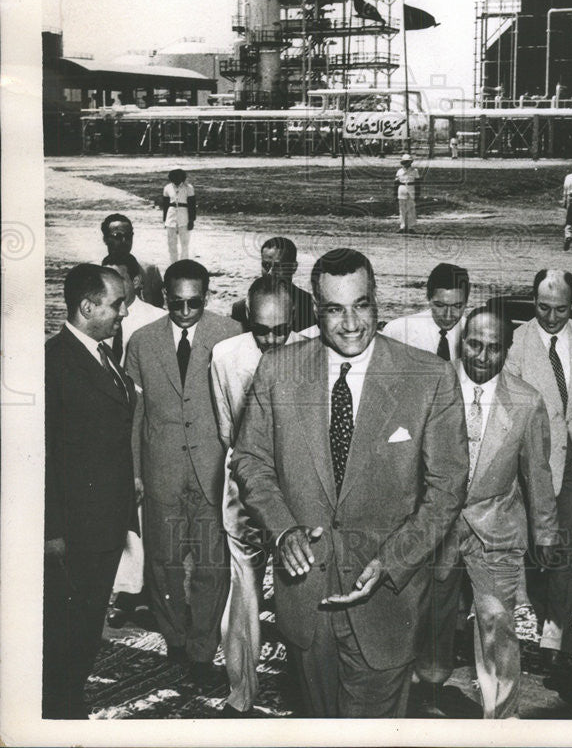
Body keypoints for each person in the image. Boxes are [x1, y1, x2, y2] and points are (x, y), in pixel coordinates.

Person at [230, 248, 469, 718]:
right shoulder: (278, 370)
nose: (351, 323)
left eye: (361, 304)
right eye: (334, 309)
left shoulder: (429, 378)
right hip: (306, 600)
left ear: (377, 301)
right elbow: (249, 459)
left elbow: (447, 489)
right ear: (315, 309)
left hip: (385, 598)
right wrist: (283, 529)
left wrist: (393, 561)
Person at [415, 306, 559, 718]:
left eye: (493, 349)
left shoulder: (527, 402)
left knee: (497, 621)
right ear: (462, 342)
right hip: (435, 526)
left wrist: (546, 532)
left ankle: (502, 716)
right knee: (430, 614)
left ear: (507, 351)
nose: (481, 356)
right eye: (474, 345)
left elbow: (538, 474)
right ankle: (428, 688)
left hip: (496, 528)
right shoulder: (432, 388)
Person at [125, 260, 241, 685]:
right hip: (162, 471)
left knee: (212, 565)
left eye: (195, 302)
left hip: (213, 471)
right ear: (165, 297)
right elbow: (134, 415)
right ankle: (174, 638)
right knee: (164, 563)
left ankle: (201, 649)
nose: (186, 311)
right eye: (177, 303)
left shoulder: (228, 334)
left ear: (206, 297)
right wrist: (134, 471)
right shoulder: (141, 341)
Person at [43, 264, 135, 717]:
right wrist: (52, 531)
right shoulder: (55, 362)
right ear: (87, 306)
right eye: (117, 304)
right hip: (74, 531)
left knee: (86, 619)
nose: (123, 311)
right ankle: (59, 706)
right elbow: (42, 457)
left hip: (104, 523)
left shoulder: (101, 353)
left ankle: (68, 695)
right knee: (67, 624)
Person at [211, 277, 301, 717]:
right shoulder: (225, 357)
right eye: (262, 329)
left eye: (280, 330)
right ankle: (241, 692)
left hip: (299, 491)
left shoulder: (312, 353)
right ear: (247, 318)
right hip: (243, 487)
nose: (271, 339)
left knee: (302, 590)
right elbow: (227, 429)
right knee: (243, 587)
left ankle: (308, 689)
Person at [505, 269, 572, 673]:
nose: (551, 317)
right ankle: (546, 618)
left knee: (566, 544)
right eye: (543, 308)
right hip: (535, 463)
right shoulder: (518, 342)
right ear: (533, 302)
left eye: (560, 309)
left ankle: (554, 637)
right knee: (537, 547)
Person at [101, 253, 165, 628]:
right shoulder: (101, 323)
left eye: (119, 278)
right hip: (115, 430)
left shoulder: (154, 321)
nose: (113, 285)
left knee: (148, 515)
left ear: (137, 282)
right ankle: (126, 593)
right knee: (124, 515)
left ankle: (152, 596)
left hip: (147, 428)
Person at [381, 262, 470, 362]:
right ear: (428, 298)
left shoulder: (473, 332)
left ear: (466, 302)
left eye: (457, 306)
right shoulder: (397, 331)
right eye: (440, 305)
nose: (448, 315)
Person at [230, 236, 316, 334]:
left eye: (278, 266)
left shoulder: (311, 307)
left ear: (293, 267)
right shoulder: (241, 309)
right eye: (266, 265)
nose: (270, 272)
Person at [100, 212, 163, 306]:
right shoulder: (95, 271)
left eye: (128, 236)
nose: (124, 241)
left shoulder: (150, 272)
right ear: (105, 239)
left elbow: (158, 308)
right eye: (118, 236)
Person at [162, 168, 196, 262]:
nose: (177, 179)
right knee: (171, 243)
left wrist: (191, 220)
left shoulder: (188, 188)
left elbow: (192, 205)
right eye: (174, 177)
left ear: (182, 178)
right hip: (171, 217)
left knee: (184, 243)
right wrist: (165, 220)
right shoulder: (167, 188)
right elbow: (165, 205)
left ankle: (184, 263)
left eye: (179, 177)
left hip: (184, 217)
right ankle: (173, 263)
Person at [394, 152, 421, 233]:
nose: (406, 164)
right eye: (404, 162)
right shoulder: (399, 171)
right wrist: (395, 194)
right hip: (401, 189)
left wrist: (417, 193)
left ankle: (410, 227)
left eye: (408, 162)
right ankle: (402, 227)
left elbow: (417, 183)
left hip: (411, 188)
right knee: (402, 209)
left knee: (411, 209)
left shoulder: (415, 171)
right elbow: (396, 183)